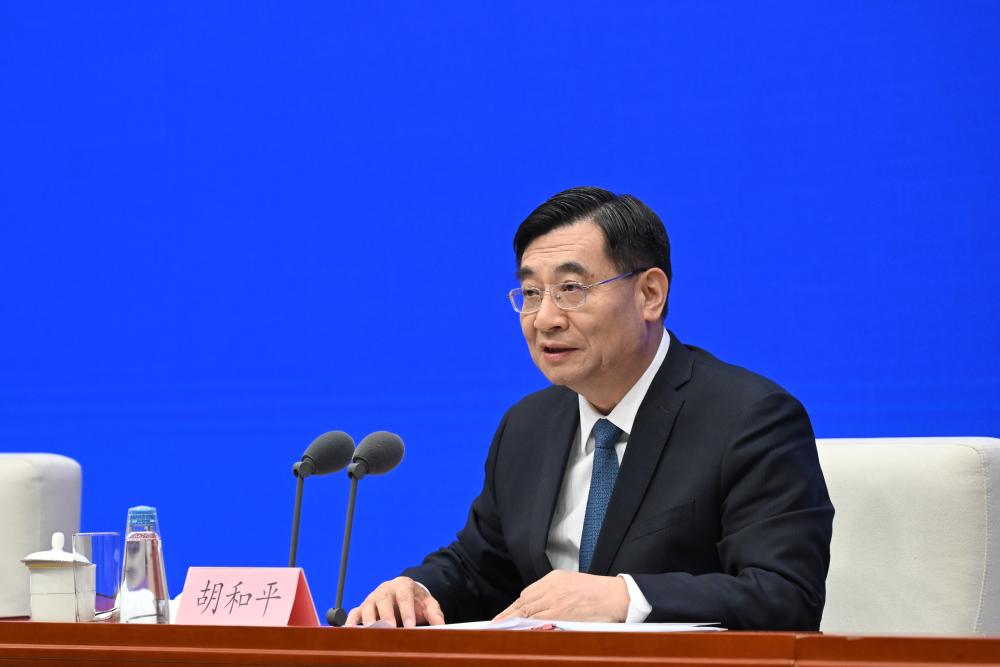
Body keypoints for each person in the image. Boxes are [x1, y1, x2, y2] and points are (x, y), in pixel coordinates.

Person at [345, 187, 834, 630]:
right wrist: (416, 590)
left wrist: (622, 597)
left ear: (650, 294)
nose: (545, 319)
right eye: (531, 293)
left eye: (571, 290)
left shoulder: (750, 419)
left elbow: (784, 595)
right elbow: (482, 567)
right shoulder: (527, 425)